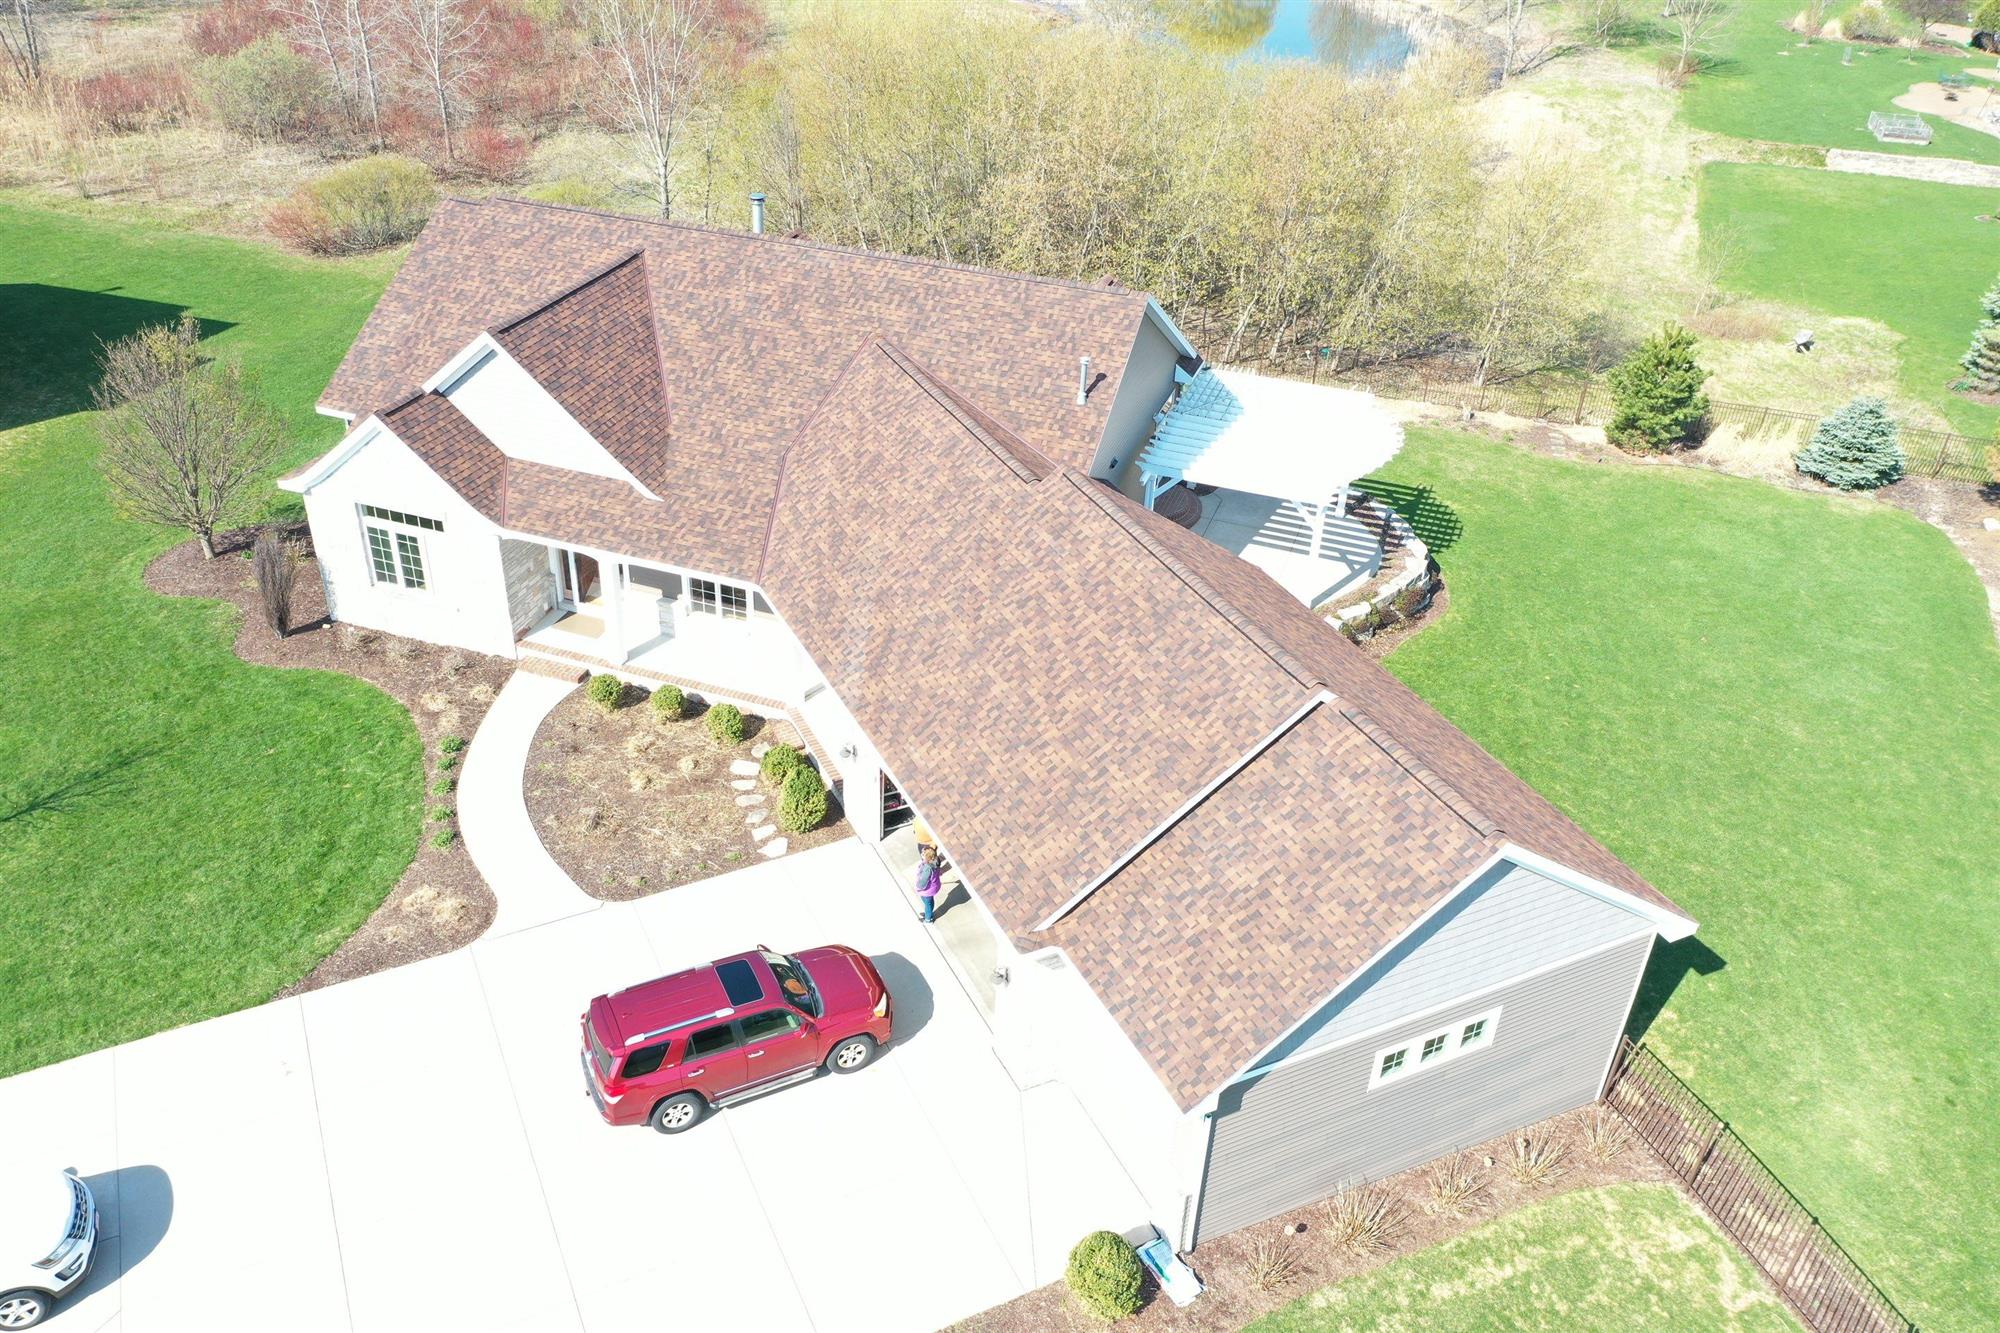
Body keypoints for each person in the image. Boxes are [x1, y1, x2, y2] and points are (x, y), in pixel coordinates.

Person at [915, 844, 942, 923]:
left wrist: (918, 887)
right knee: (929, 901)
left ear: (928, 857)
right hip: (934, 886)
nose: (921, 854)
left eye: (923, 854)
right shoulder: (935, 861)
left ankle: (928, 919)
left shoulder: (928, 868)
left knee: (927, 903)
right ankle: (929, 913)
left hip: (928, 889)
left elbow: (923, 881)